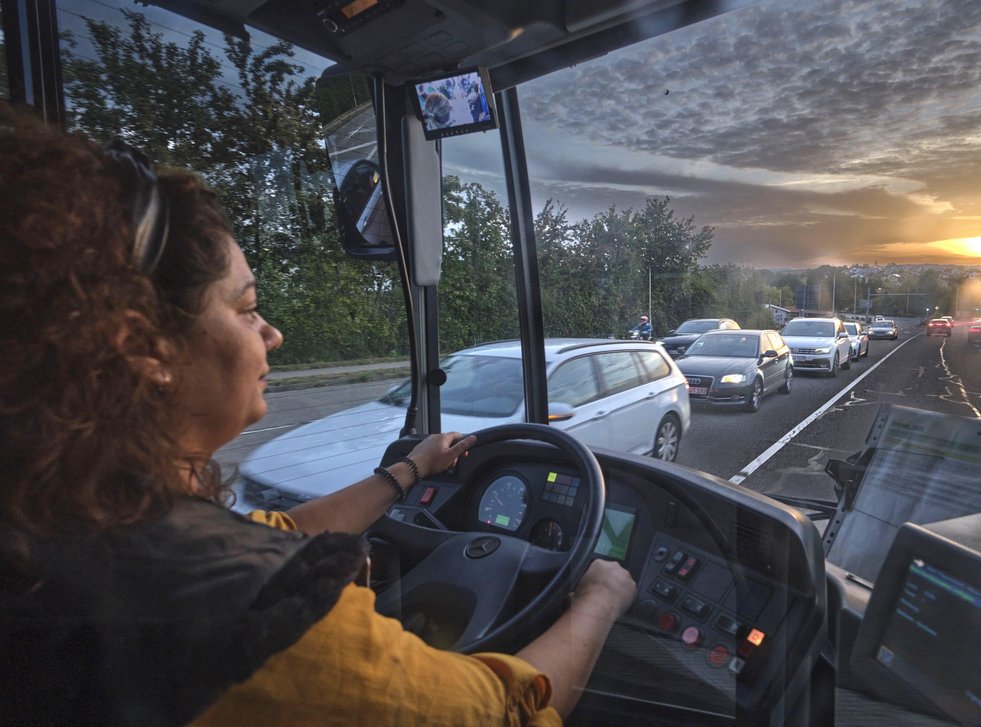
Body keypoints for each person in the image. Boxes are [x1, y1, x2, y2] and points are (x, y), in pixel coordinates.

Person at [0, 103, 635, 725]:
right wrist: (600, 598)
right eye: (246, 309)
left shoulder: (66, 521)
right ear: (146, 348)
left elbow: (270, 536)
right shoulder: (257, 617)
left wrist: (411, 470)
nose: (271, 334)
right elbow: (502, 712)